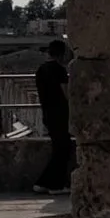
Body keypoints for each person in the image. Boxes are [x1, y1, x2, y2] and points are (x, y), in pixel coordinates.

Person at [34, 38, 73, 194]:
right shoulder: (59, 70)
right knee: (63, 149)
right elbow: (66, 94)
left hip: (48, 114)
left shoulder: (41, 70)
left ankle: (44, 183)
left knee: (59, 148)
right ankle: (54, 185)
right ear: (62, 54)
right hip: (60, 114)